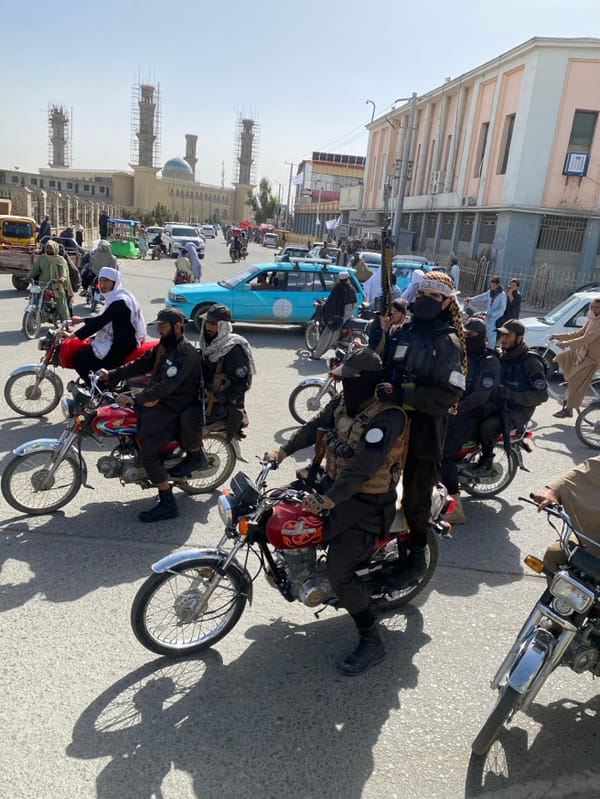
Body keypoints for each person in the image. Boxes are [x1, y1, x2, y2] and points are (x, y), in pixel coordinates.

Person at [267, 348, 408, 675]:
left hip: (368, 505)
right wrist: (283, 451)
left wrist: (329, 500)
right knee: (277, 509)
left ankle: (372, 642)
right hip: (331, 488)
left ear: (366, 379)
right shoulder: (345, 402)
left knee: (339, 572)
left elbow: (363, 467)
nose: (343, 383)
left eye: (349, 377)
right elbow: (314, 425)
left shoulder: (388, 416)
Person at [376, 271, 465, 581]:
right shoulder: (402, 331)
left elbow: (451, 392)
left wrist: (404, 393)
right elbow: (384, 367)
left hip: (426, 425)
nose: (425, 300)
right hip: (393, 420)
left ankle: (415, 555)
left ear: (445, 303)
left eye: (434, 296)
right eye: (422, 293)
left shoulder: (448, 341)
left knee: (417, 491)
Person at [98, 308, 202, 523]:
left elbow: (168, 386)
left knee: (149, 453)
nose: (161, 331)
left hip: (174, 407)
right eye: (159, 328)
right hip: (158, 403)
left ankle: (167, 503)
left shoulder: (186, 353)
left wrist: (137, 398)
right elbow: (141, 364)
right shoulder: (164, 347)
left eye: (164, 327)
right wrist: (112, 375)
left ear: (177, 327)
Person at [171, 303, 255, 477]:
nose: (209, 327)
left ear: (223, 327)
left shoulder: (233, 350)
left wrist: (216, 396)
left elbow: (241, 386)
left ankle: (195, 457)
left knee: (186, 415)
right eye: (207, 323)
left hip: (223, 405)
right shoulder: (208, 346)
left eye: (214, 324)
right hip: (203, 397)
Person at [466, 319, 548, 477]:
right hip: (499, 404)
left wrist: (511, 394)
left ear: (519, 338)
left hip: (519, 410)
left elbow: (541, 395)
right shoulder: (501, 355)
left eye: (508, 336)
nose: (503, 339)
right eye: (502, 335)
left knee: (488, 426)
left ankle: (486, 462)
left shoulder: (530, 361)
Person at [441, 318, 502, 523]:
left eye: (470, 336)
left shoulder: (489, 361)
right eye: (464, 335)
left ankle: (456, 508)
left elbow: (479, 397)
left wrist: (455, 407)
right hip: (455, 409)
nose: (465, 338)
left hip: (475, 414)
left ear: (482, 336)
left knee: (444, 453)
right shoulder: (463, 356)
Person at [62, 267, 146, 382]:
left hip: (122, 345)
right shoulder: (119, 295)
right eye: (101, 280)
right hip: (120, 337)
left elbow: (101, 322)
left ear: (114, 282)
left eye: (107, 280)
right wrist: (82, 320)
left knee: (79, 358)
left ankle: (98, 391)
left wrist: (74, 335)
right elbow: (106, 318)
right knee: (88, 346)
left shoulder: (119, 301)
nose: (103, 284)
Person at [531, 455, 600, 573]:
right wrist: (551, 491)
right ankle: (554, 591)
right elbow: (581, 474)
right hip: (594, 538)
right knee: (554, 555)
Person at [550, 296, 600, 419]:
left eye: (597, 307)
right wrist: (558, 336)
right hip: (582, 352)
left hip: (592, 358)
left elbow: (587, 338)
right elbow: (579, 333)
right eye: (592, 306)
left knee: (576, 382)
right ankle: (569, 377)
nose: (594, 309)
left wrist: (567, 343)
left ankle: (568, 410)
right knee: (562, 358)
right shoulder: (592, 319)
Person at [312, 271, 357, 359]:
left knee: (328, 333)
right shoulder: (351, 289)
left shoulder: (338, 287)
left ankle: (317, 354)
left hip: (337, 316)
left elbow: (331, 302)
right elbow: (354, 304)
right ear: (348, 278)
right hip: (348, 315)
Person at [27, 240, 71, 321]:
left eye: (50, 248)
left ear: (55, 249)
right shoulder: (41, 258)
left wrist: (62, 278)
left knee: (61, 303)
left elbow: (63, 271)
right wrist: (29, 276)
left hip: (56, 285)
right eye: (47, 248)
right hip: (42, 284)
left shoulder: (60, 259)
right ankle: (28, 323)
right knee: (33, 299)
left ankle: (67, 323)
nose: (48, 250)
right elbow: (34, 269)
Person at [465, 276, 507, 347]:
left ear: (498, 285)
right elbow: (482, 296)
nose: (492, 287)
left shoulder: (502, 295)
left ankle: (491, 351)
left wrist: (493, 314)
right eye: (491, 285)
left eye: (494, 285)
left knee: (491, 338)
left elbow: (502, 308)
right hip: (488, 318)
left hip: (495, 319)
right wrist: (471, 299)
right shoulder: (490, 292)